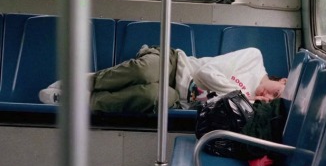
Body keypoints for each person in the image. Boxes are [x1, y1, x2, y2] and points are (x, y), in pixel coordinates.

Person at [39, 46, 287, 113]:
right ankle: (82, 82)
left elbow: (207, 102)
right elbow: (205, 73)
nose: (266, 96)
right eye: (276, 92)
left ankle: (78, 101)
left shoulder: (250, 108)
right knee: (144, 72)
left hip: (179, 97)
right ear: (283, 80)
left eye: (271, 101)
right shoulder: (254, 58)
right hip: (175, 65)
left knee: (151, 97)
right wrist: (241, 95)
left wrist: (249, 104)